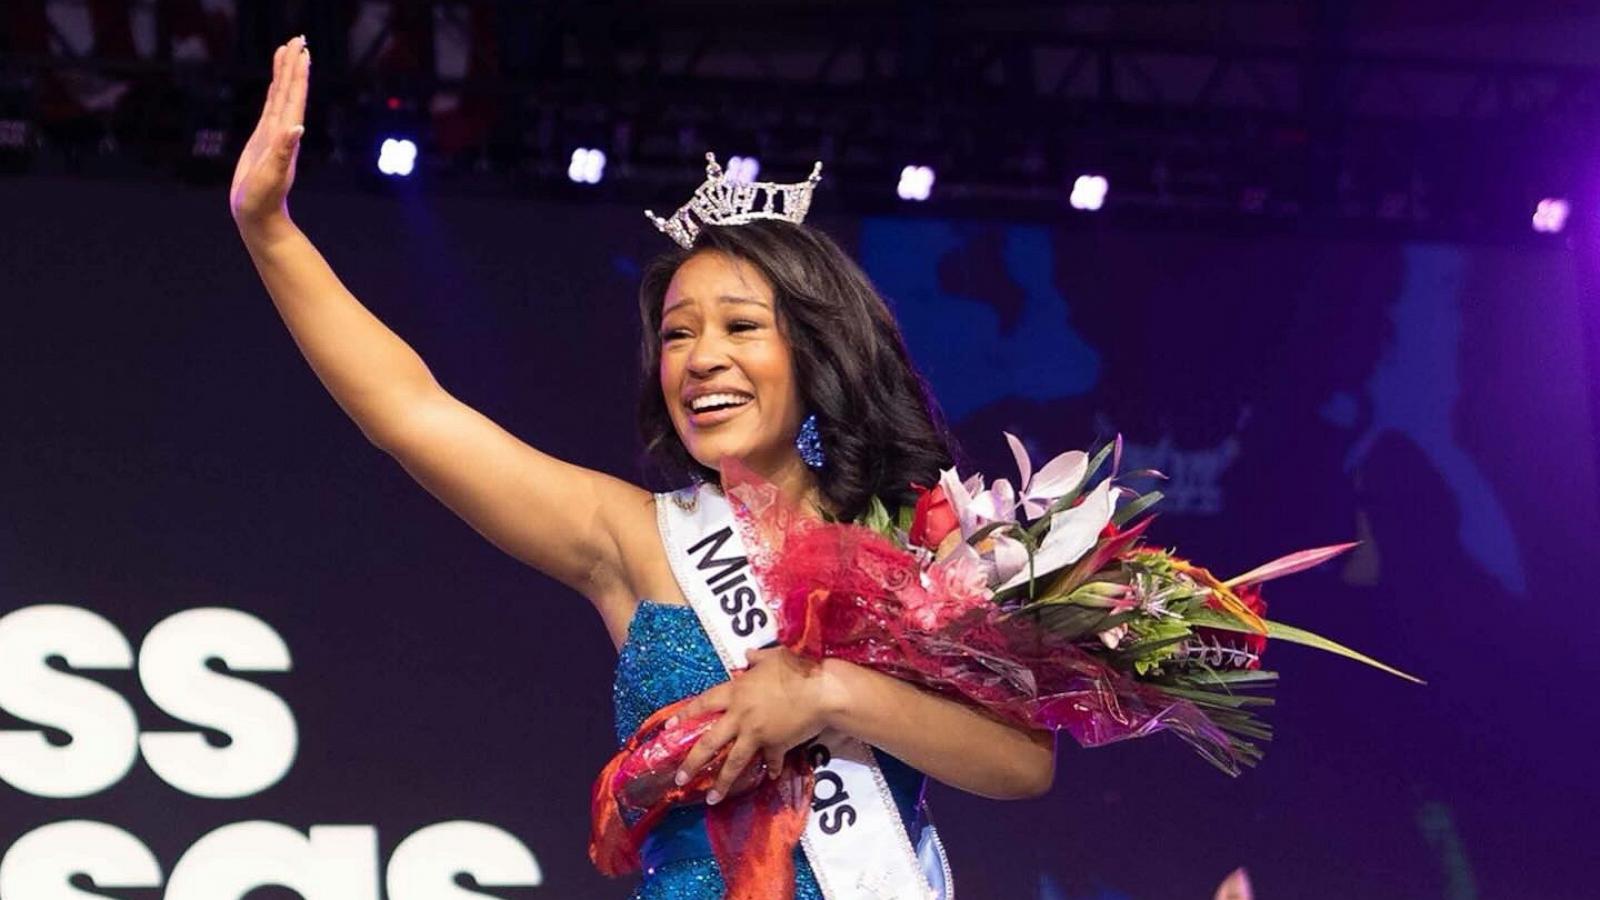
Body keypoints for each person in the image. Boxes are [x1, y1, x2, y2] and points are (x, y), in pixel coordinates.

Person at [230, 35, 1055, 898]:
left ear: (820, 352)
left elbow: (1022, 763)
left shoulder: (928, 545)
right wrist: (269, 231)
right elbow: (412, 412)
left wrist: (830, 695)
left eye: (739, 327)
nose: (699, 359)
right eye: (677, 334)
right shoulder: (636, 537)